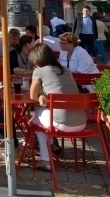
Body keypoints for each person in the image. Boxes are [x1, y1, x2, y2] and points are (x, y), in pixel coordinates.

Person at [28, 43, 87, 172]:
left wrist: (40, 96)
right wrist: (43, 94)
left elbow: (32, 96)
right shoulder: (66, 70)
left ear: (37, 59)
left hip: (62, 125)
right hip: (82, 123)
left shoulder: (39, 71)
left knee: (37, 114)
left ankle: (46, 157)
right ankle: (50, 148)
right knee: (39, 119)